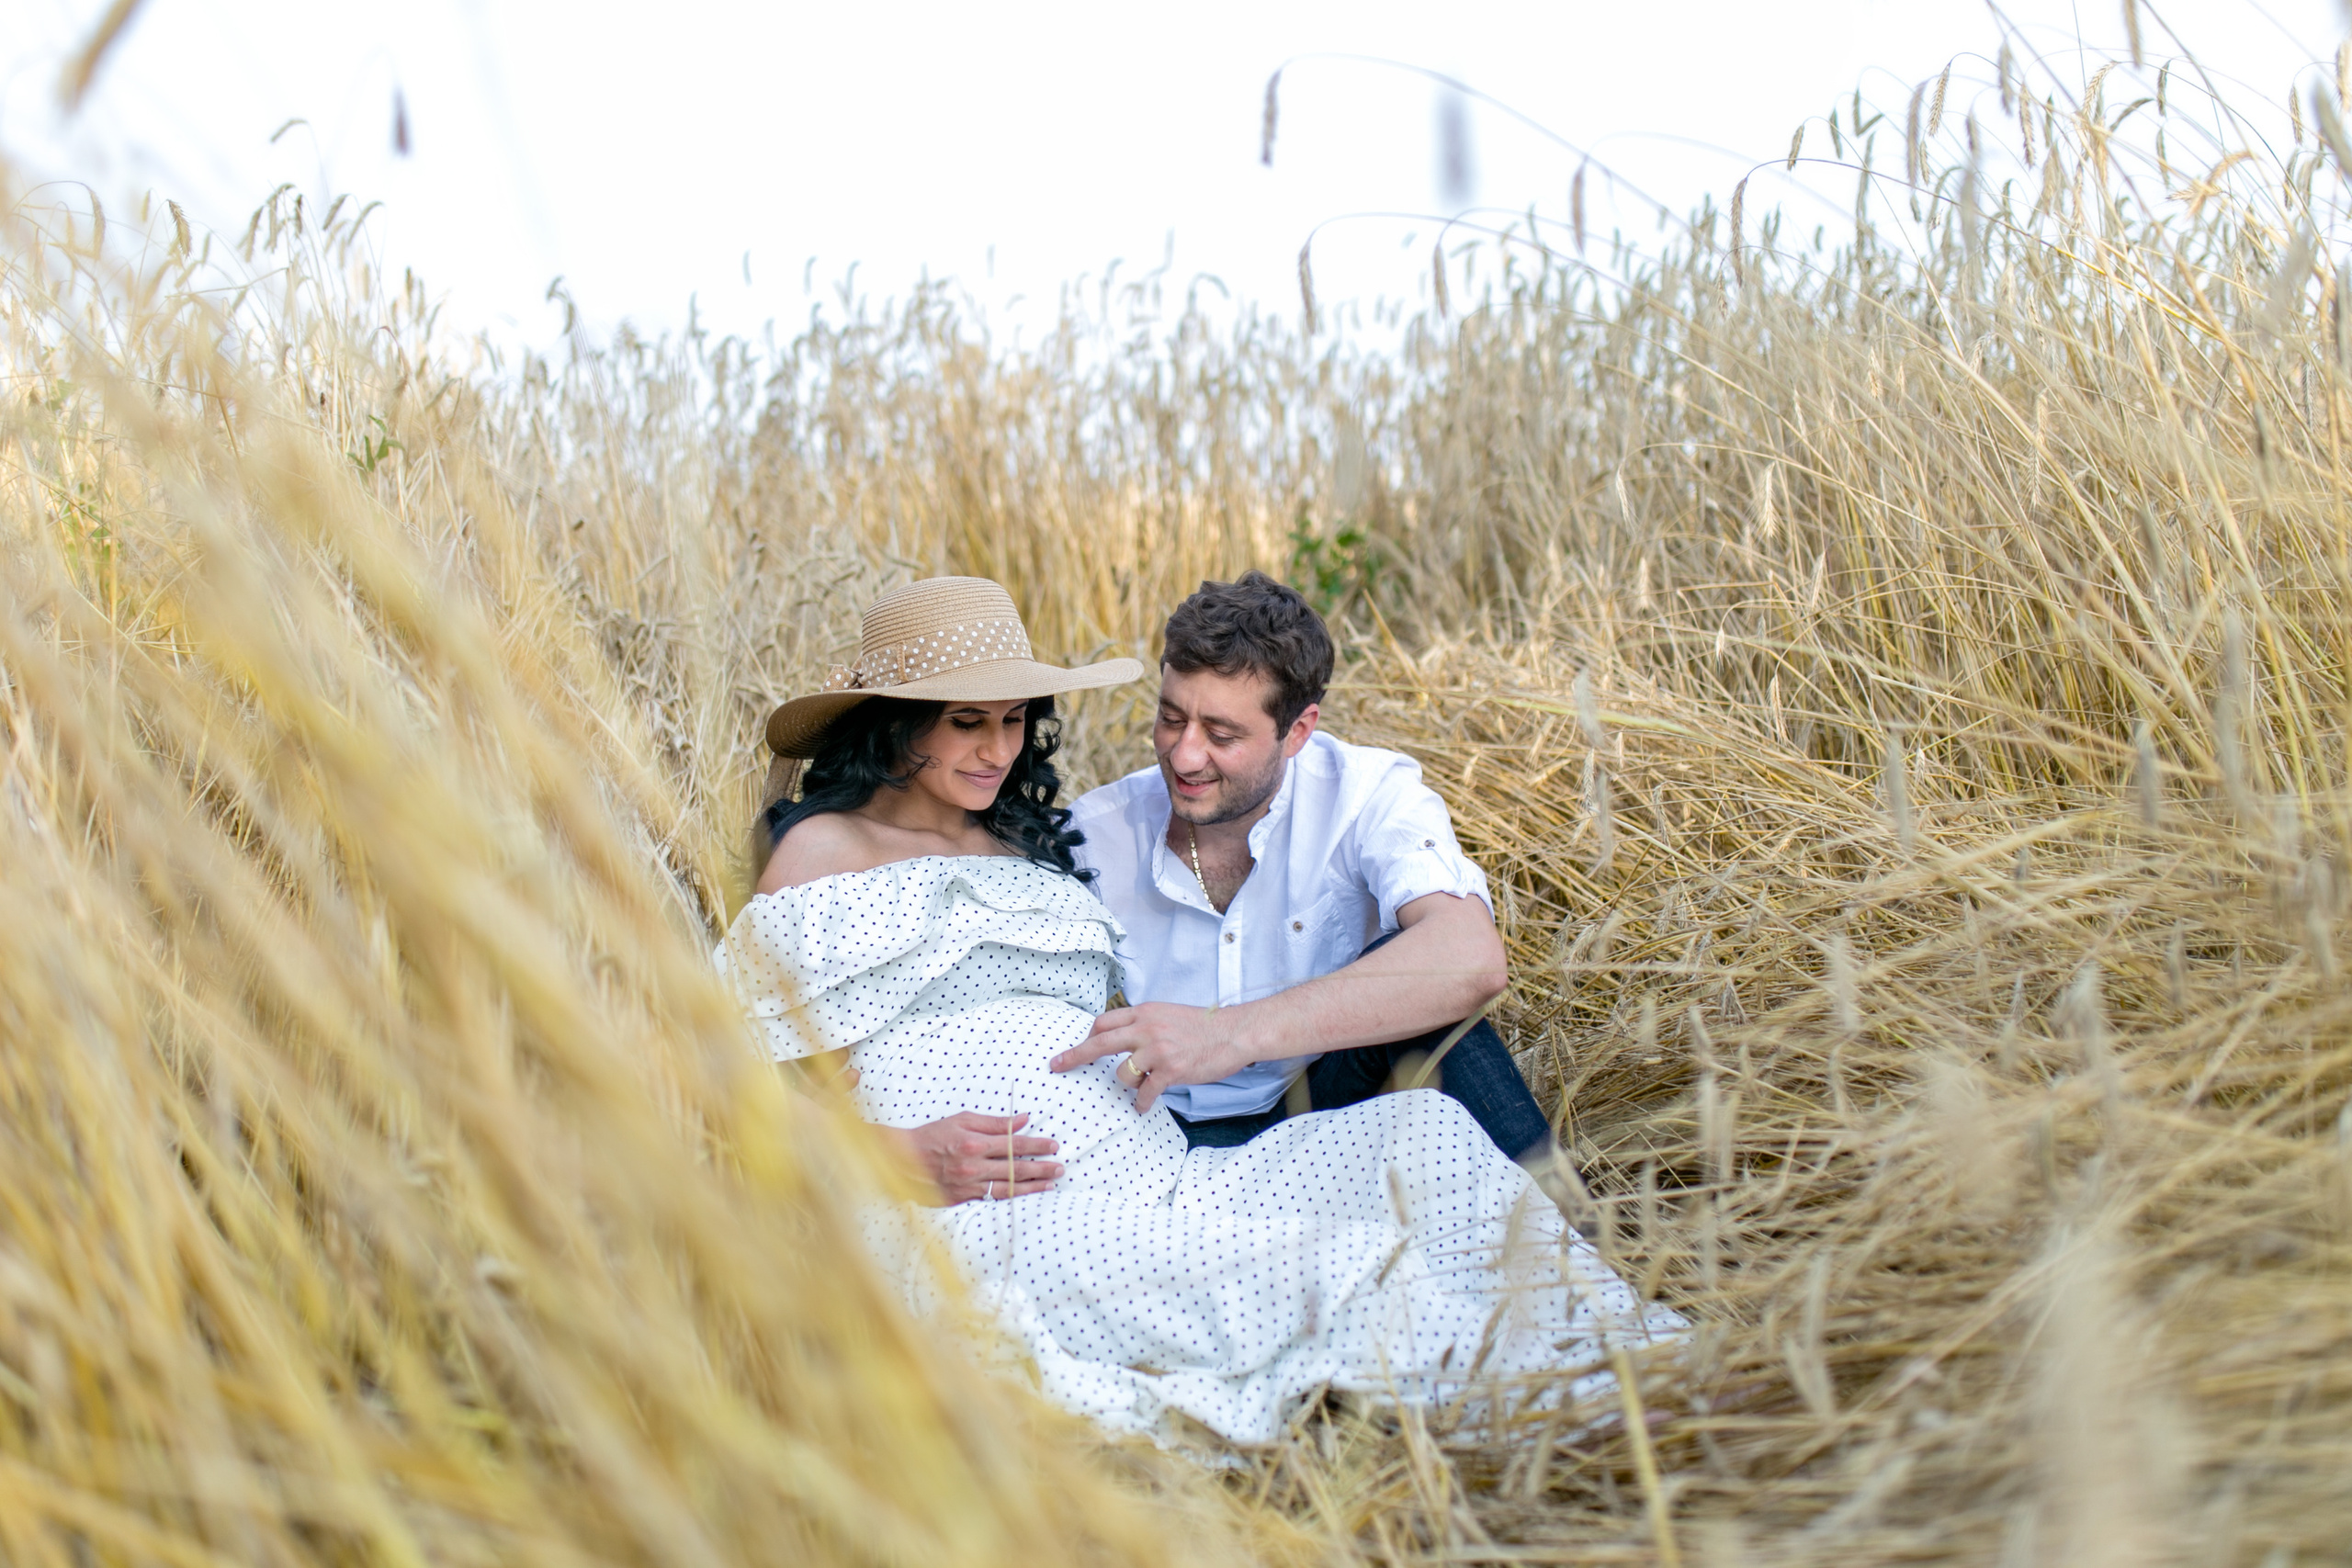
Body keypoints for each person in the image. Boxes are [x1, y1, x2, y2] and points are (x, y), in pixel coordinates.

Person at [717, 575, 1679, 1446]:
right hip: (995, 1207)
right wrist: (890, 1153)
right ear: (897, 721)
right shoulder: (827, 852)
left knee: (1424, 1139)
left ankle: (1659, 1356)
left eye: (1013, 720)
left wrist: (1216, 1040)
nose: (998, 749)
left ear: (1294, 732)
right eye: (966, 721)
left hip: (1165, 1169)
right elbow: (721, 1081)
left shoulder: (1035, 851)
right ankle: (1594, 1411)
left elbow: (1468, 959)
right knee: (1337, 1269)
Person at [1053, 571, 1560, 1174]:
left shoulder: (1368, 792)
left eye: (1221, 734)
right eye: (1170, 719)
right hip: (1154, 1126)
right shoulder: (1095, 831)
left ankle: (1565, 1248)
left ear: (1298, 731)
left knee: (1433, 990)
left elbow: (1469, 956)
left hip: (1326, 1097)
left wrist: (1227, 1034)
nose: (1185, 755)